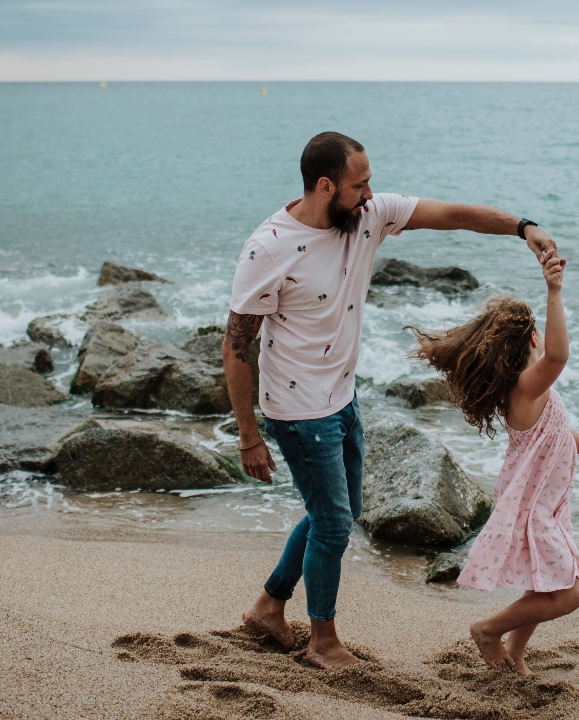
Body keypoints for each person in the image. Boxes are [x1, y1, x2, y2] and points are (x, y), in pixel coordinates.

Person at [223, 131, 558, 670]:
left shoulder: (368, 215)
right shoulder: (270, 248)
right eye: (360, 185)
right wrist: (248, 435)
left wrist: (524, 228)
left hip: (341, 398)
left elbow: (451, 214)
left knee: (338, 512)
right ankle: (323, 642)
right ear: (326, 185)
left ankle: (267, 607)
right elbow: (237, 345)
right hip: (297, 410)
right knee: (333, 524)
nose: (371, 193)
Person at [405, 251, 579, 675]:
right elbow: (559, 357)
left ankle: (516, 651)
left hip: (545, 504)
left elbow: (559, 431)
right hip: (534, 506)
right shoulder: (526, 388)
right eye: (539, 332)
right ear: (530, 341)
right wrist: (554, 290)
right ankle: (489, 630)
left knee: (541, 583)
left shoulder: (529, 393)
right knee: (569, 593)